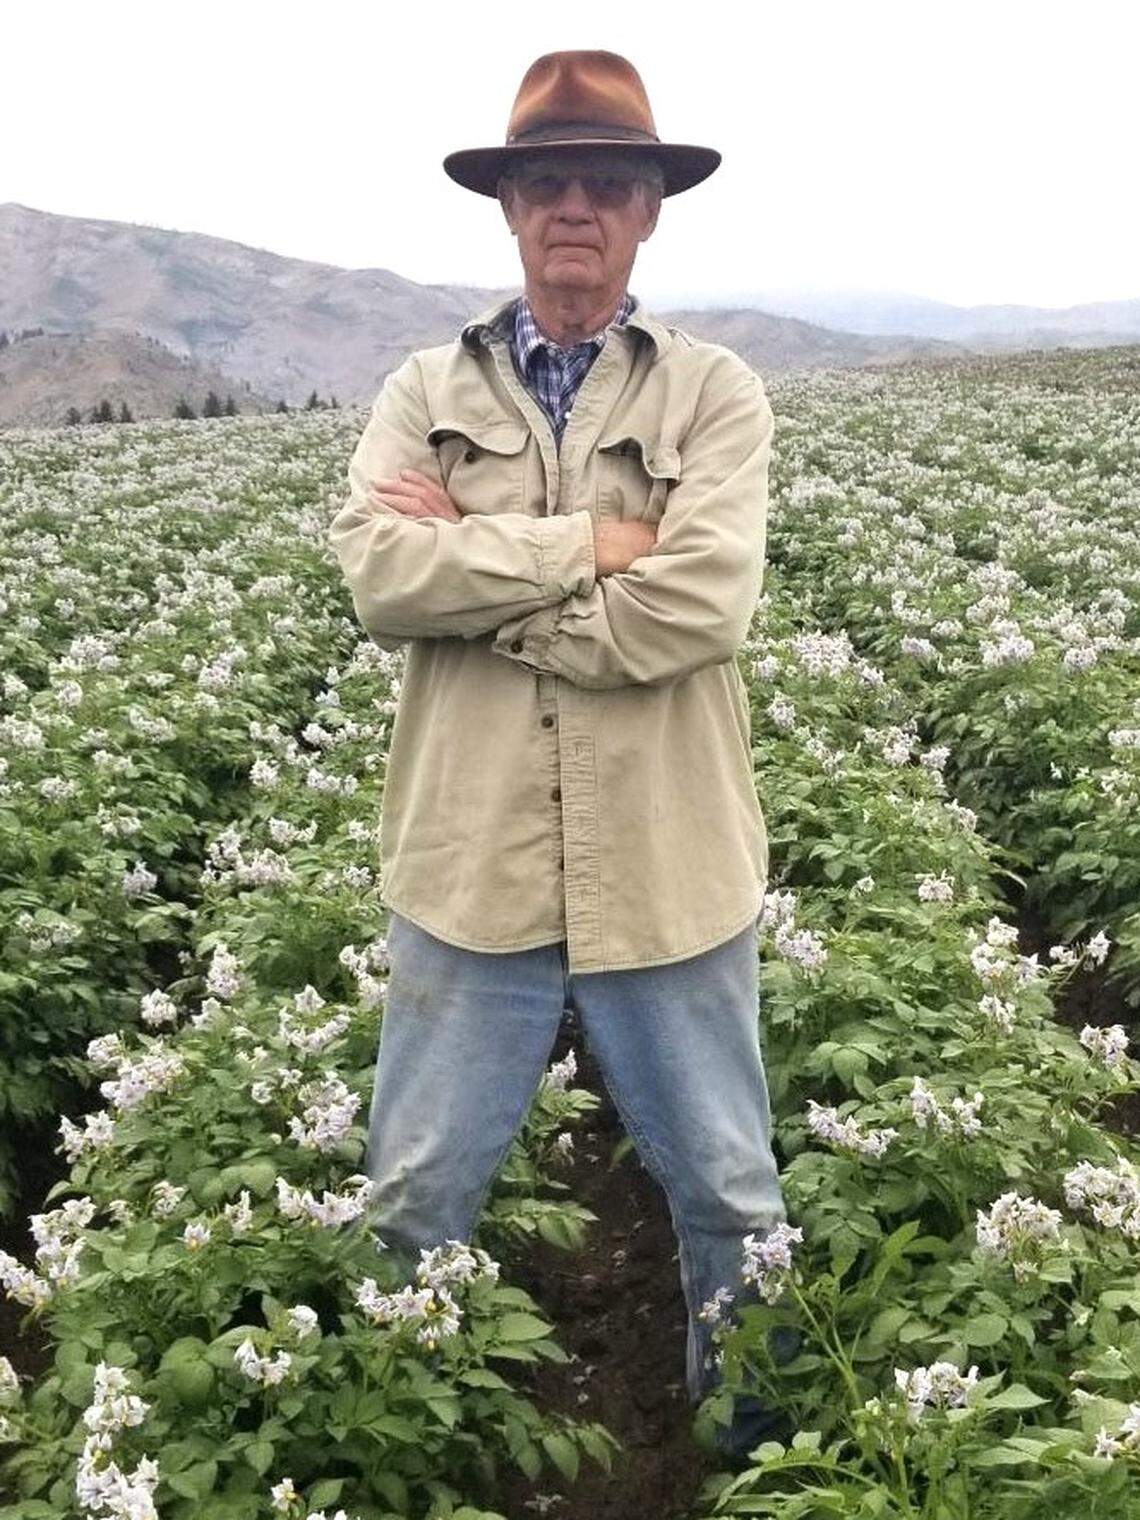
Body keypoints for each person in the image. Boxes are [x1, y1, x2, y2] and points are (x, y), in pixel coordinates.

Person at [328, 49, 791, 1461]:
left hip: (667, 864)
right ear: (511, 207)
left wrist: (481, 581)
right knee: (414, 1203)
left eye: (608, 183)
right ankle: (388, 1466)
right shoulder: (422, 385)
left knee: (729, 1201)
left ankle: (759, 1467)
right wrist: (593, 545)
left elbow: (703, 602)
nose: (576, 207)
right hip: (471, 868)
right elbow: (376, 577)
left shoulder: (715, 395)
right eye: (549, 183)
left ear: (649, 210)